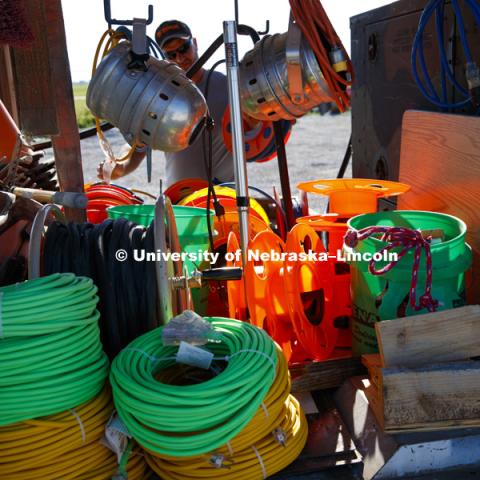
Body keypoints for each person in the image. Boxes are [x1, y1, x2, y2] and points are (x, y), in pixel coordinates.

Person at [97, 20, 235, 187]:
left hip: (224, 198)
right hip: (181, 201)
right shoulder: (160, 97)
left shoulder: (227, 86)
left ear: (195, 43)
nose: (179, 57)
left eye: (184, 48)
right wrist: (121, 168)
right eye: (171, 55)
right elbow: (139, 145)